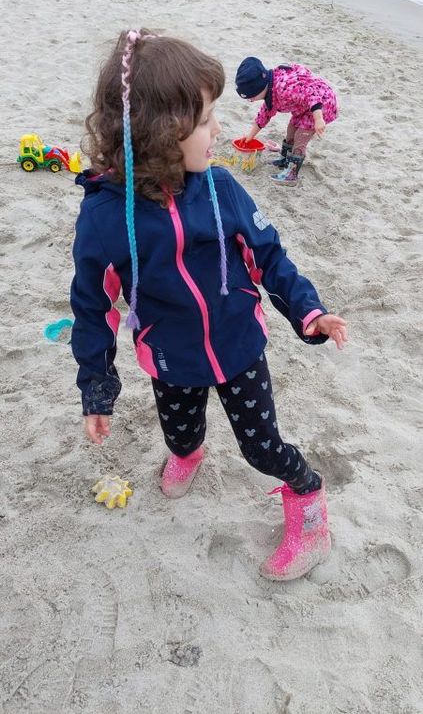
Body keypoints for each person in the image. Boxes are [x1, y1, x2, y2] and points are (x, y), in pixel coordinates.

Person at [70, 28, 348, 581]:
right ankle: (188, 454)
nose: (218, 129)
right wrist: (96, 388)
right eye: (204, 120)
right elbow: (91, 308)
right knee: (180, 435)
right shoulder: (104, 219)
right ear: (160, 133)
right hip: (169, 357)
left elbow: (269, 257)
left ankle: (309, 500)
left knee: (262, 448)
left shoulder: (222, 188)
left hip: (239, 347)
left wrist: (308, 311)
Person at [236, 56, 338, 186]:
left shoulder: (284, 88)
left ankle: (291, 174)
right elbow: (264, 115)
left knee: (300, 137)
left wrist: (318, 119)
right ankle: (285, 160)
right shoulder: (271, 90)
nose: (250, 101)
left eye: (251, 97)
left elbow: (312, 95)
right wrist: (250, 136)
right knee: (291, 129)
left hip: (321, 105)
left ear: (260, 87)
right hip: (303, 107)